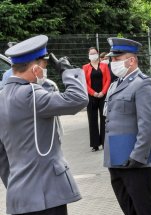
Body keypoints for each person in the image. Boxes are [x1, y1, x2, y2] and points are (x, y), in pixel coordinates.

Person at [0, 35, 89, 215]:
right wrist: (67, 71)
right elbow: (79, 99)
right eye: (45, 66)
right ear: (35, 69)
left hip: (20, 197)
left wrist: (17, 186)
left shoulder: (2, 96)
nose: (45, 71)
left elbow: (2, 156)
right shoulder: (32, 95)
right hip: (47, 195)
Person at [103, 37, 151, 215]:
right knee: (128, 209)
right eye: (112, 59)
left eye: (117, 59)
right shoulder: (113, 85)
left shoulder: (143, 84)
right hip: (116, 159)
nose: (113, 63)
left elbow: (148, 124)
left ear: (132, 60)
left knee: (144, 209)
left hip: (136, 161)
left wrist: (138, 155)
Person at [82, 47, 111, 151]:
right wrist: (93, 93)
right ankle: (95, 144)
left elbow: (108, 79)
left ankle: (104, 142)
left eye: (94, 53)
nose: (93, 55)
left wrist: (103, 92)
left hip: (103, 95)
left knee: (104, 119)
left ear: (98, 54)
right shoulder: (85, 67)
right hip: (91, 97)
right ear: (88, 55)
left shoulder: (104, 65)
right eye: (91, 53)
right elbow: (84, 82)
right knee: (92, 119)